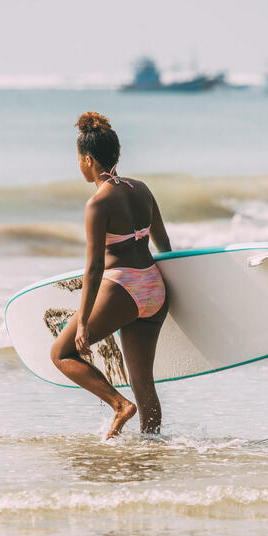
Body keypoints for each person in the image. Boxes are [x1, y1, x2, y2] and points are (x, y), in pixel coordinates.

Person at [50, 112, 172, 438]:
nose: (78, 165)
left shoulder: (98, 203)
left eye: (78, 159)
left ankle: (120, 405)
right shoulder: (142, 189)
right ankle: (151, 449)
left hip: (123, 287)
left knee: (61, 353)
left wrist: (85, 321)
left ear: (88, 160)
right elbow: (164, 244)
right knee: (143, 382)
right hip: (154, 288)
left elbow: (94, 269)